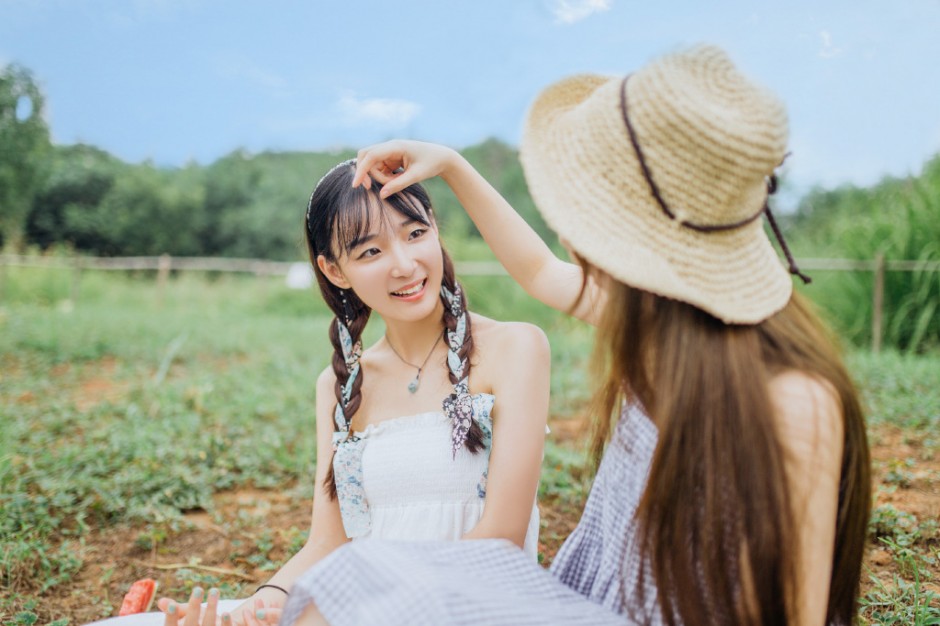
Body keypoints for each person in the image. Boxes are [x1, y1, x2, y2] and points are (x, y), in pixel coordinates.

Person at [280, 44, 872, 625]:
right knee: (344, 586)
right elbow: (537, 270)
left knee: (359, 587)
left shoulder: (794, 401)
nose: (567, 232)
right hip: (593, 603)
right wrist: (453, 166)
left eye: (581, 209)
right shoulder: (661, 327)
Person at [92, 159, 549, 626]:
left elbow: (502, 540)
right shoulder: (339, 387)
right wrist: (259, 605)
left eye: (415, 234)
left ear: (435, 230)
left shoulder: (514, 348)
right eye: (371, 252)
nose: (405, 264)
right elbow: (329, 543)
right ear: (334, 270)